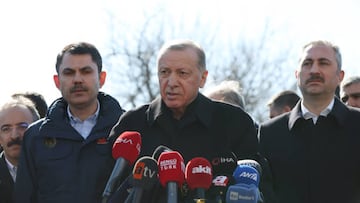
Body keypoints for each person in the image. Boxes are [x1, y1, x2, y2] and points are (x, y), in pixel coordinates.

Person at [108, 39, 264, 202]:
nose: (172, 82)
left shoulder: (234, 122)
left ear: (203, 78)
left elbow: (255, 185)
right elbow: (107, 185)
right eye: (164, 72)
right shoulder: (132, 123)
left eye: (182, 73)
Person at [14, 42, 125, 203]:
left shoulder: (127, 128)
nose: (77, 79)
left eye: (86, 71)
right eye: (69, 73)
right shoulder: (36, 136)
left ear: (102, 78)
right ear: (57, 81)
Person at [258, 40, 360, 203]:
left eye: (323, 63)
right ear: (297, 74)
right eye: (307, 63)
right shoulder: (270, 132)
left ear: (340, 76)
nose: (314, 70)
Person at [0, 97, 39, 203]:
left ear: (37, 131)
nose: (14, 135)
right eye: (6, 129)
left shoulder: (56, 169)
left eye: (22, 127)